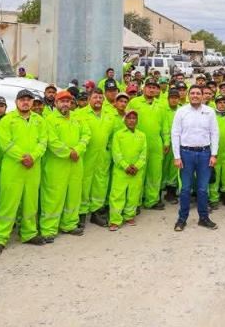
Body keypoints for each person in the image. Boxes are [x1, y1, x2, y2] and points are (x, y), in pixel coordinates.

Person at [0, 90, 48, 251]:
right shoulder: (7, 120)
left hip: (33, 168)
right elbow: (5, 143)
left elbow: (43, 141)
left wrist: (33, 156)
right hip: (13, 169)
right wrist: (22, 157)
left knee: (30, 203)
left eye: (29, 100)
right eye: (22, 99)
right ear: (16, 102)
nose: (26, 102)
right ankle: (0, 238)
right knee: (8, 204)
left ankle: (29, 233)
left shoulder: (39, 120)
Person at [41, 90, 91, 242]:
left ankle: (69, 224)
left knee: (73, 195)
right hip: (57, 165)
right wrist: (69, 152)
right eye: (62, 101)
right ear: (56, 103)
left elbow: (86, 135)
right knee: (54, 197)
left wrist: (78, 150)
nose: (65, 104)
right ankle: (49, 229)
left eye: (68, 101)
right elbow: (52, 141)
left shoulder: (78, 118)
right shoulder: (49, 120)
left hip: (75, 164)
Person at [170, 86, 219, 231]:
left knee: (203, 189)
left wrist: (214, 154)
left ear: (202, 96)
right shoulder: (181, 111)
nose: (195, 95)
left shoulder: (209, 112)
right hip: (186, 154)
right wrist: (177, 156)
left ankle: (203, 218)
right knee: (185, 189)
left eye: (198, 93)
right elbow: (175, 134)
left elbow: (214, 133)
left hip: (205, 154)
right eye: (192, 93)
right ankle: (182, 219)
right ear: (188, 95)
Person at [127, 80, 167, 210]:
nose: (151, 90)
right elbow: (127, 121)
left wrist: (166, 141)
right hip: (138, 143)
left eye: (154, 87)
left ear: (157, 90)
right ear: (143, 89)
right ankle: (136, 202)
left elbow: (165, 125)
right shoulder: (134, 102)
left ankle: (152, 200)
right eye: (149, 87)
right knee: (139, 174)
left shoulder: (161, 105)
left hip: (156, 143)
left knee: (155, 173)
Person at [78, 90, 115, 228]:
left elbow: (112, 135)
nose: (98, 100)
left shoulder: (109, 115)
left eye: (100, 97)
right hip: (86, 155)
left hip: (102, 156)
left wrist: (108, 150)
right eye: (95, 97)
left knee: (100, 184)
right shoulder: (80, 114)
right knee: (84, 183)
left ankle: (96, 212)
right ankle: (81, 213)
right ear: (89, 99)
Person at [108, 109, 147, 230]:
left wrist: (137, 166)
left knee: (133, 194)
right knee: (117, 195)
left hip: (136, 171)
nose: (131, 121)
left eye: (134, 118)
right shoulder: (118, 135)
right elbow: (116, 153)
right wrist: (125, 166)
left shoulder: (142, 135)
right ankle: (115, 220)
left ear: (137, 121)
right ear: (124, 120)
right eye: (129, 118)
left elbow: (143, 153)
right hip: (121, 171)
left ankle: (129, 216)